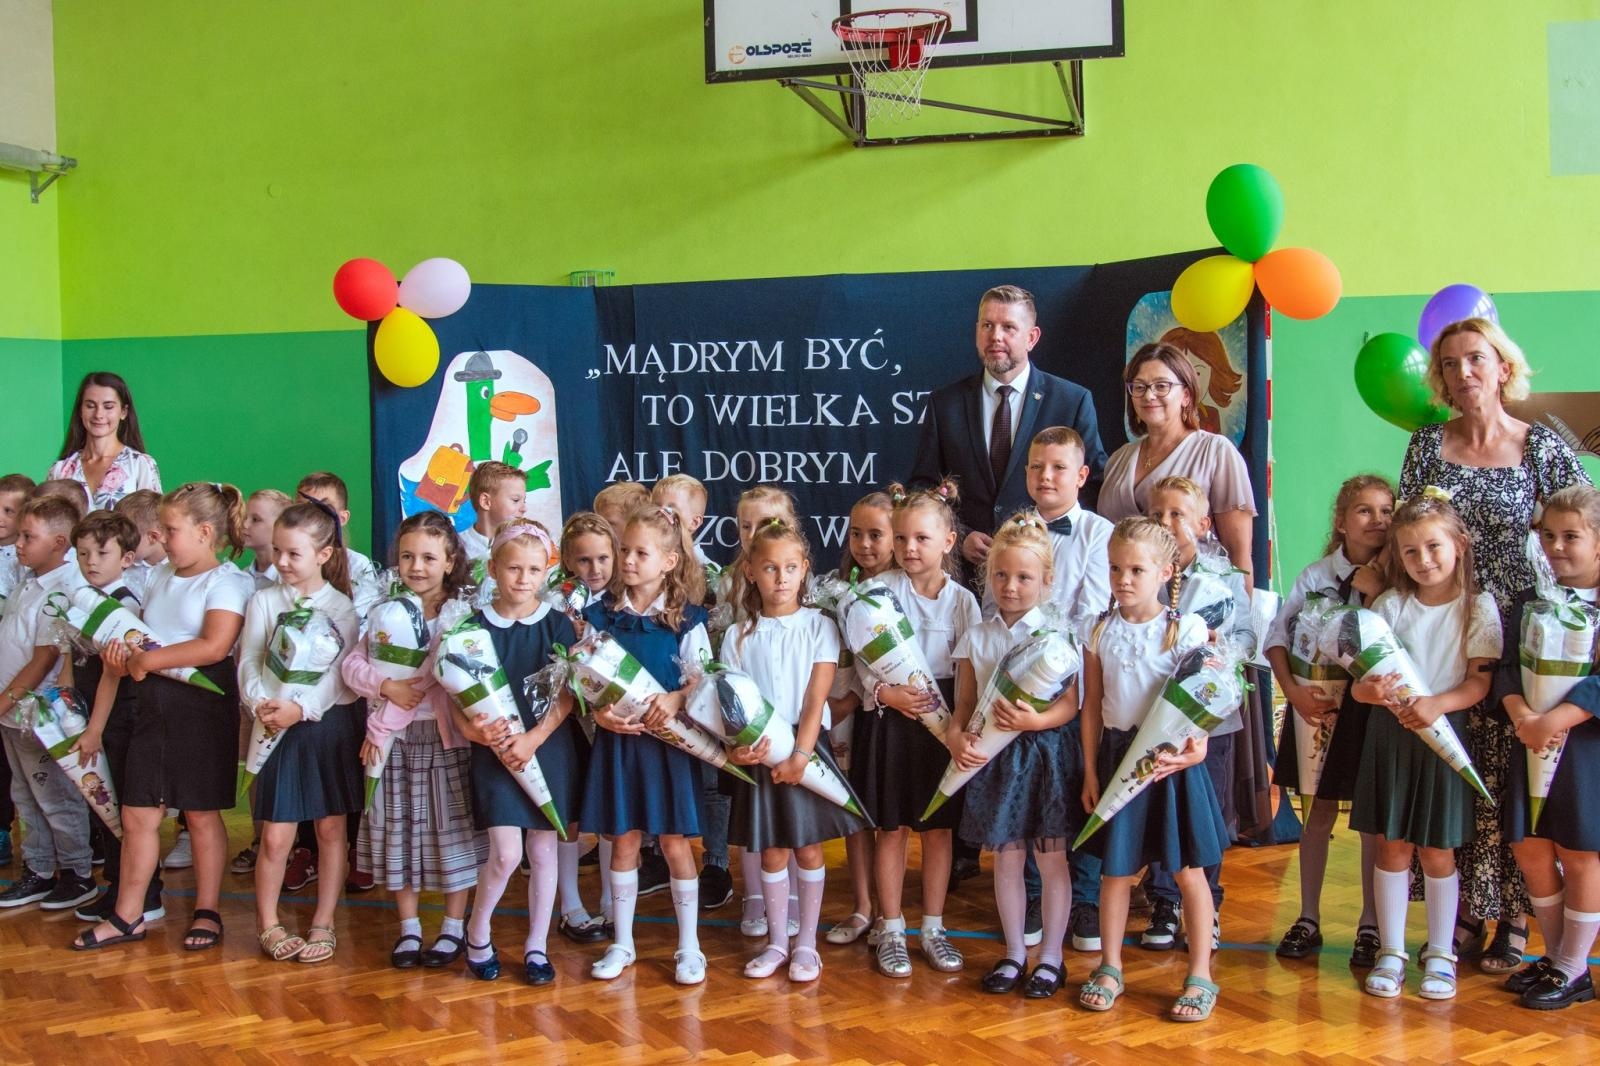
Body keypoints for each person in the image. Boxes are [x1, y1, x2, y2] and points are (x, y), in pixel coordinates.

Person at [1398, 317, 1591, 971]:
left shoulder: (1543, 449)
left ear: (1503, 367)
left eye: (1476, 359)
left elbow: (1583, 530)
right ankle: (1461, 918)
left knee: (1516, 780)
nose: (1464, 373)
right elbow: (1409, 533)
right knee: (1459, 776)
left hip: (1531, 645)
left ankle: (1514, 919)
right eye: (1449, 364)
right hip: (1451, 635)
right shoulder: (1426, 447)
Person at [72, 483, 255, 952]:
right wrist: (121, 657)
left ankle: (207, 910)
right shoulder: (158, 577)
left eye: (170, 530)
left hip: (200, 709)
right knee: (138, 813)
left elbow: (214, 645)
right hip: (150, 706)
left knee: (199, 814)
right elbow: (140, 637)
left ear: (204, 532)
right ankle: (128, 914)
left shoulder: (228, 580)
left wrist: (146, 661)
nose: (161, 537)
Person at [1349, 491, 1501, 1000]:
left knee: (1437, 851)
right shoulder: (1390, 605)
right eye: (1410, 552)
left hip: (1444, 739)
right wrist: (1368, 692)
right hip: (1392, 738)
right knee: (1392, 846)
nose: (1424, 560)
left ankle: (1440, 953)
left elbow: (1479, 684)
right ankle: (1391, 952)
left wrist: (1439, 704)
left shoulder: (1477, 607)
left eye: (1433, 547)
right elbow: (1362, 681)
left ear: (1458, 545)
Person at [1078, 517, 1223, 1021]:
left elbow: (1203, 700)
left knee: (1188, 873)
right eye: (1115, 567)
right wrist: (1092, 773)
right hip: (1119, 759)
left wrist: (1196, 747)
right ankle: (1110, 965)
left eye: (1136, 569)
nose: (1123, 579)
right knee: (1115, 872)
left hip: (1169, 765)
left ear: (1165, 571)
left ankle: (1201, 972)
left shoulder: (1185, 629)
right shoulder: (1097, 629)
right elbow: (1092, 705)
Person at [724, 518, 868, 983]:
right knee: (771, 852)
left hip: (805, 750)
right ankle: (776, 943)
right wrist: (740, 749)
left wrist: (801, 757)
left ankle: (806, 943)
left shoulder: (819, 626)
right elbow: (732, 705)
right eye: (769, 568)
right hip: (761, 751)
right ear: (750, 571)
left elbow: (815, 700)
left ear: (805, 569)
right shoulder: (737, 635)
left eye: (790, 567)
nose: (781, 578)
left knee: (806, 849)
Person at [949, 513, 1083, 999]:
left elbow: (1070, 703)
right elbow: (964, 705)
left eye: (1024, 577)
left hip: (1043, 755)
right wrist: (955, 738)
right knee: (1005, 861)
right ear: (988, 577)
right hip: (995, 760)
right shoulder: (978, 636)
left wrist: (1037, 722)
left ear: (1046, 582)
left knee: (1051, 861)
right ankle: (1013, 952)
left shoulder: (1057, 636)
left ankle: (1051, 957)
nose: (1010, 586)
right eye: (1001, 575)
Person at [580, 505, 711, 985]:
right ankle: (622, 943)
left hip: (670, 747)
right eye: (623, 551)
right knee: (623, 841)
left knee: (676, 843)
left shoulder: (688, 619)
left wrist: (677, 698)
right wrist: (599, 713)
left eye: (640, 552)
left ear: (670, 561)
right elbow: (587, 682)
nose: (628, 560)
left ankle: (690, 947)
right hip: (621, 746)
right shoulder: (600, 617)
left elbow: (703, 679)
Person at [1268, 475, 1394, 966]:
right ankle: (1308, 917)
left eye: (1386, 510)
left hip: (1365, 712)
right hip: (1312, 709)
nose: (1378, 520)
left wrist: (1377, 591)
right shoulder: (1316, 575)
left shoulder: (1393, 578)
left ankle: (1369, 923)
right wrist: (1293, 692)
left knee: (1367, 822)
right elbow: (1277, 638)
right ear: (1341, 522)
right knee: (1316, 815)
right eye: (1364, 511)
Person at [346, 511, 480, 970]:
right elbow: (352, 666)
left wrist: (399, 700)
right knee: (397, 830)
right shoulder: (383, 613)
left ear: (450, 561)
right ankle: (408, 927)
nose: (416, 566)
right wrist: (386, 688)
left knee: (452, 830)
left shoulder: (461, 615)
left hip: (444, 741)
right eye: (407, 556)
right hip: (393, 744)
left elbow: (439, 675)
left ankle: (453, 927)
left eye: (428, 556)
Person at [856, 481, 980, 977]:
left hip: (942, 725)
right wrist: (886, 694)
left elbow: (967, 680)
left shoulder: (964, 602)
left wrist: (957, 729)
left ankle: (933, 926)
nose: (909, 548)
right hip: (893, 722)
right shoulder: (875, 594)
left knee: (938, 832)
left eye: (922, 539)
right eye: (902, 538)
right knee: (892, 829)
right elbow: (865, 663)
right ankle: (890, 926)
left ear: (949, 541)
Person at [454, 520, 583, 985]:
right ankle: (478, 928)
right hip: (495, 752)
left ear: (546, 571)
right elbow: (457, 696)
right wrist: (476, 732)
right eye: (513, 568)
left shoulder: (557, 625)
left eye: (533, 569)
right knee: (506, 854)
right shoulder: (471, 628)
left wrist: (534, 738)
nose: (523, 579)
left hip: (545, 748)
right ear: (493, 568)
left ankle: (536, 945)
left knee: (544, 851)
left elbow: (568, 696)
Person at [911, 285, 1108, 576]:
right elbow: (923, 487)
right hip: (964, 576)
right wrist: (958, 537)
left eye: (1009, 327)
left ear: (1032, 337)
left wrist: (1044, 537)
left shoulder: (1072, 401)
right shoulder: (945, 403)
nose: (996, 337)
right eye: (987, 325)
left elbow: (1092, 485)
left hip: (1044, 573)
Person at [240, 501, 362, 964]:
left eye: (293, 554)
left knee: (332, 830)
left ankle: (323, 921)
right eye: (277, 552)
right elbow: (250, 657)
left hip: (325, 727)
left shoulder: (343, 608)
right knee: (275, 835)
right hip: (274, 723)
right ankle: (267, 922)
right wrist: (259, 701)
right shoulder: (264, 600)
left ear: (324, 555)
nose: (281, 563)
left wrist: (301, 708)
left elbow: (339, 675)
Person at [1138, 475, 1257, 952]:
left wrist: (1217, 647)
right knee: (1162, 809)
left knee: (1207, 813)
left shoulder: (1223, 582)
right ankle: (1164, 900)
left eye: (1175, 515)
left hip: (1210, 722)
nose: (1164, 524)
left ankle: (1206, 904)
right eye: (1154, 515)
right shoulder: (1140, 573)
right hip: (1154, 717)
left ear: (1203, 524)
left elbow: (1247, 638)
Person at [1496, 485, 1600, 1009]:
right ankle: (1560, 957)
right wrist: (1521, 713)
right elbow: (1508, 665)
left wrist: (1556, 719)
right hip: (1530, 738)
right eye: (1549, 535)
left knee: (1580, 853)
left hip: (1585, 747)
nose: (1557, 546)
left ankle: (1572, 966)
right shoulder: (1531, 600)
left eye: (1572, 537)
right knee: (1530, 846)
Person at [66, 510, 166, 924]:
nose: (91, 561)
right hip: (96, 717)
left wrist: (94, 730)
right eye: (83, 552)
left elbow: (112, 675)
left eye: (102, 553)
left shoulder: (123, 607)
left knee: (124, 809)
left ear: (126, 559)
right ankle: (117, 887)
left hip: (119, 720)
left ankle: (145, 894)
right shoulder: (85, 601)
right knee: (103, 809)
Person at [0, 495, 95, 912]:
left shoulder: (63, 590)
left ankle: (77, 873)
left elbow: (43, 660)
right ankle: (39, 870)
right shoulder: (30, 578)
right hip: (11, 712)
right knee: (24, 794)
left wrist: (3, 702)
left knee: (55, 795)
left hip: (36, 714)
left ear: (59, 542)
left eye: (28, 537)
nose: (18, 544)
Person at [1097, 342, 1255, 589]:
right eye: (1139, 387)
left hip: (1193, 607)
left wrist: (1240, 623)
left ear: (1186, 395)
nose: (1149, 395)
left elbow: (1239, 555)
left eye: (1162, 386)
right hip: (1123, 605)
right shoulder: (1118, 459)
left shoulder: (1215, 452)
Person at [823, 489, 895, 949]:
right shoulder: (836, 590)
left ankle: (892, 912)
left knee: (887, 820)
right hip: (847, 716)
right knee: (854, 814)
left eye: (876, 534)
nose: (864, 544)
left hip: (887, 717)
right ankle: (862, 905)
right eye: (856, 533)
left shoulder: (904, 589)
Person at [49, 371, 162, 511]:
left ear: (123, 412)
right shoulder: (60, 470)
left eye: (108, 407)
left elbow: (154, 523)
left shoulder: (141, 465)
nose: (98, 414)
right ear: (80, 410)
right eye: (90, 406)